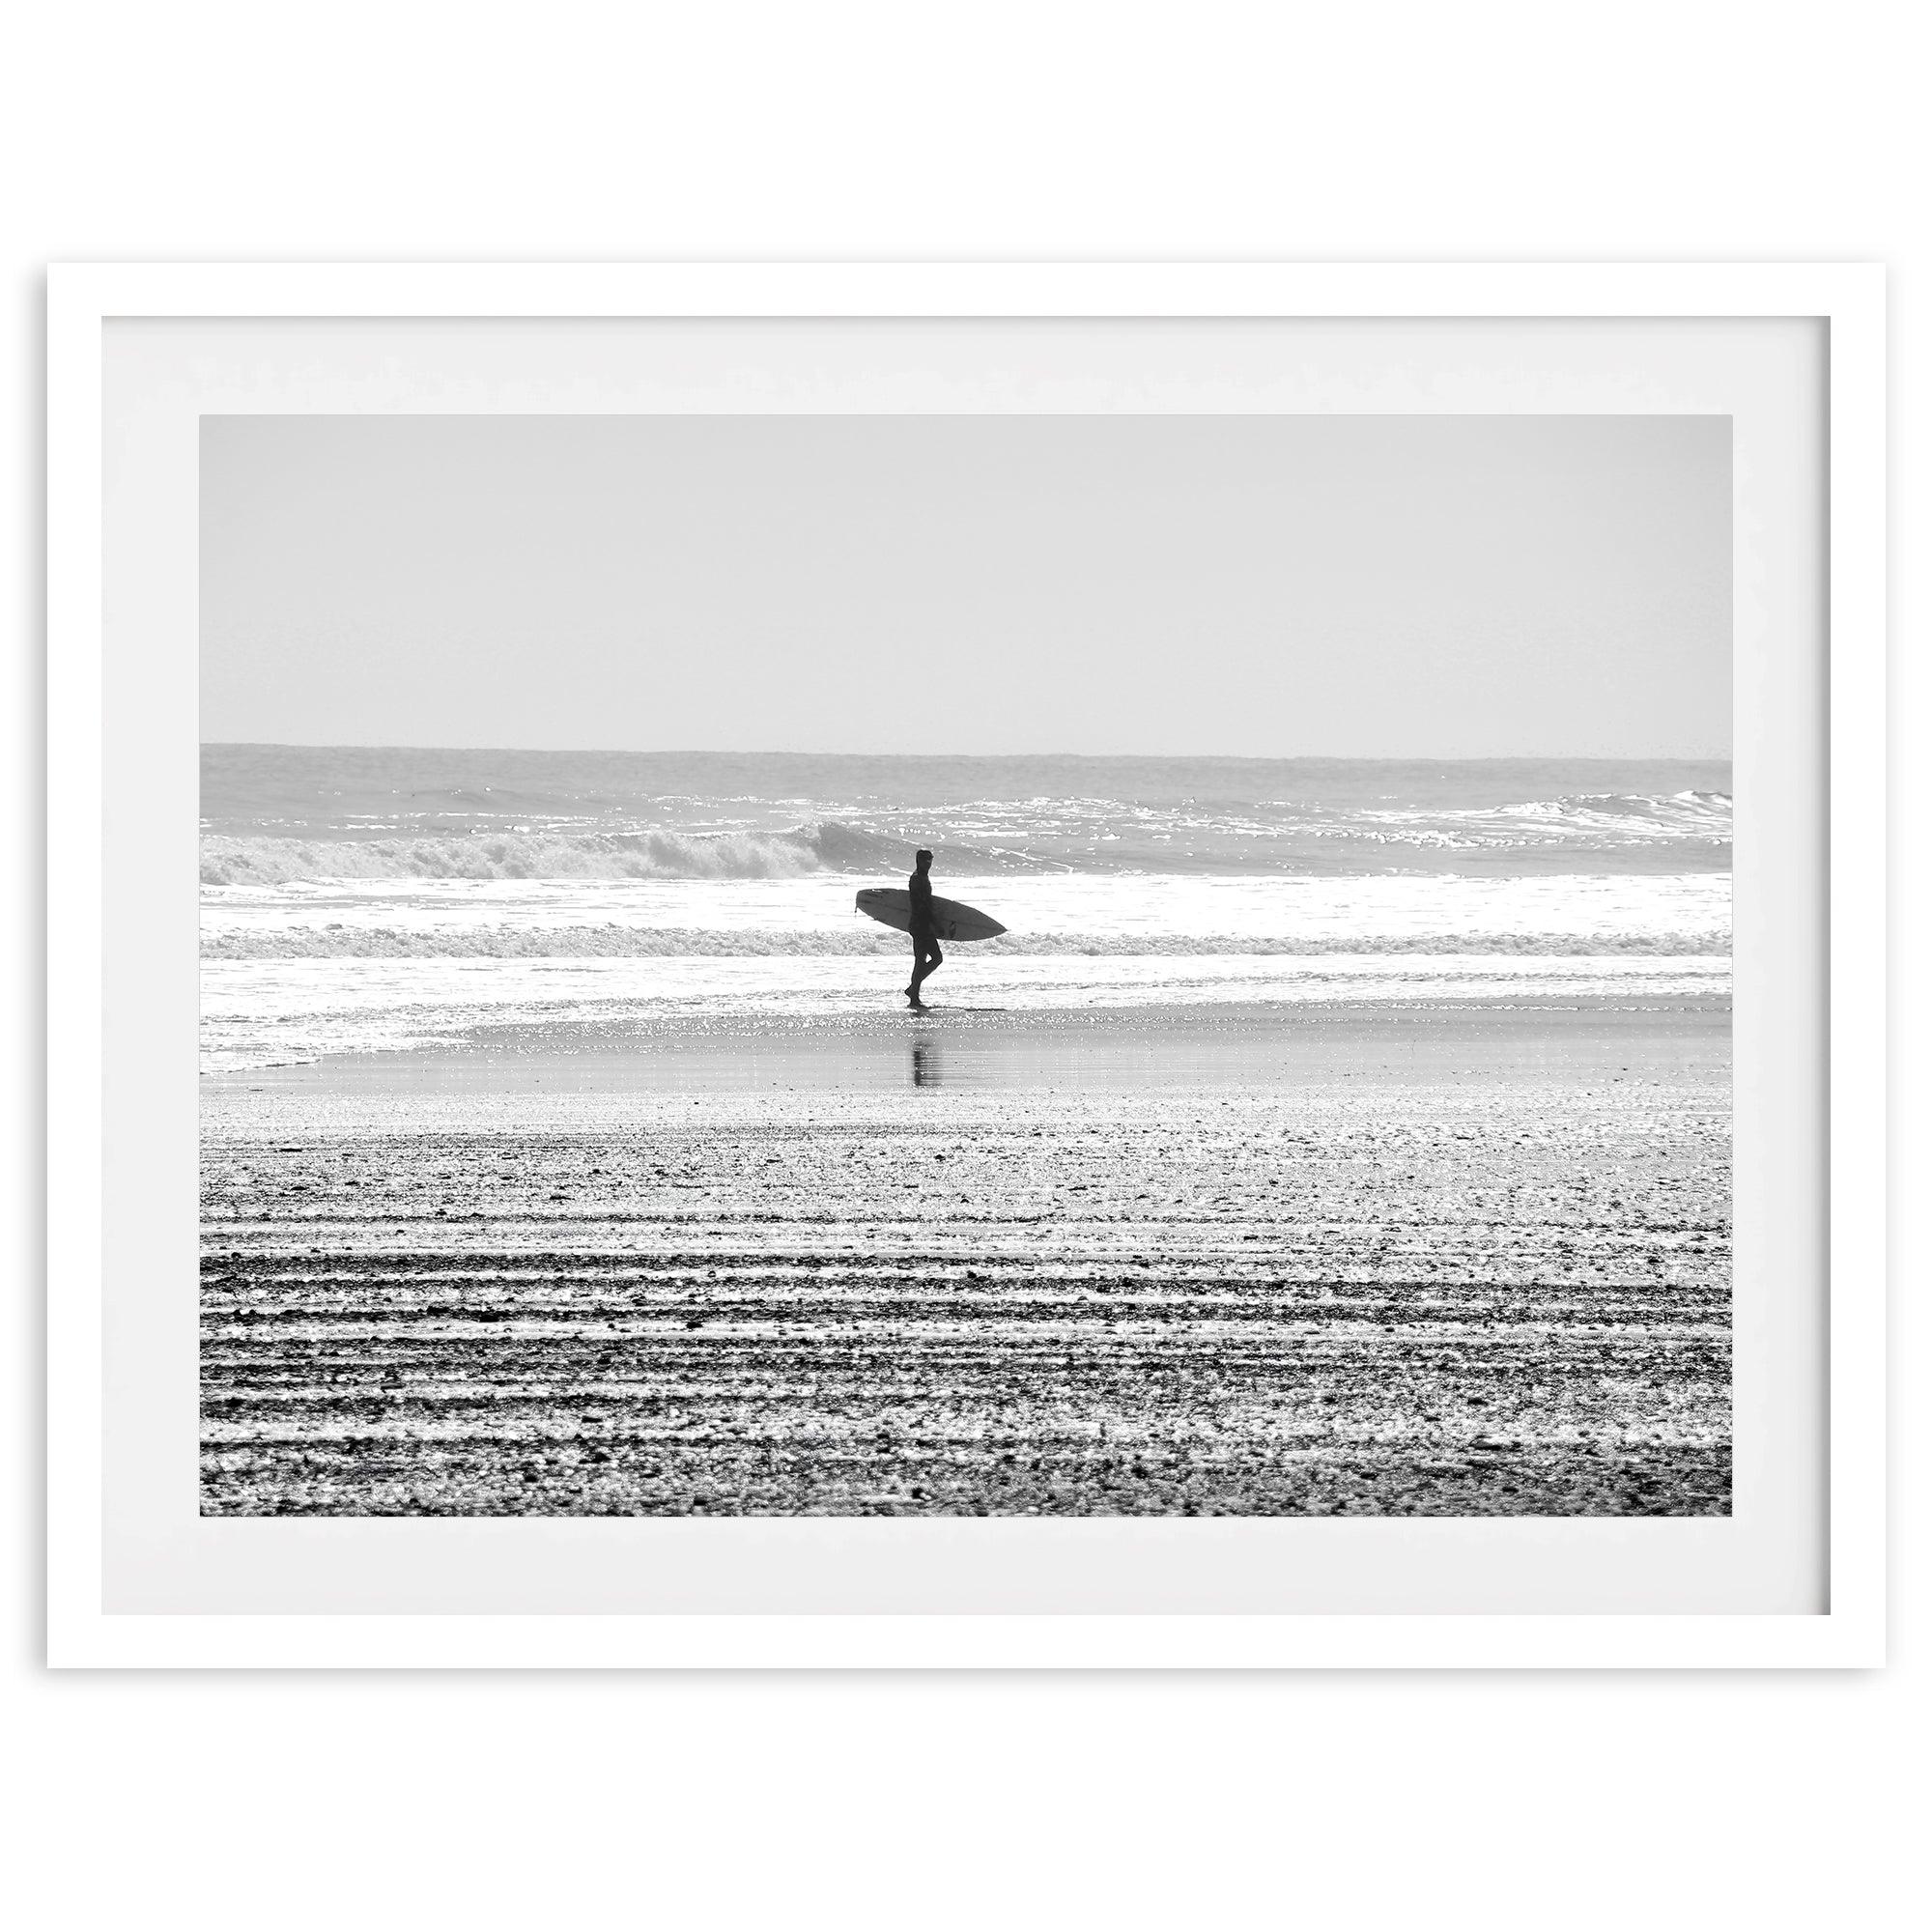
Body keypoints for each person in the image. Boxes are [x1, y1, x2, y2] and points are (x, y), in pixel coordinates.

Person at [905, 847, 943, 1009]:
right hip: (921, 925)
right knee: (923, 960)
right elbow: (924, 905)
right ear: (918, 861)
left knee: (930, 959)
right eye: (925, 860)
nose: (929, 863)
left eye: (930, 859)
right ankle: (913, 996)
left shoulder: (922, 877)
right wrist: (936, 924)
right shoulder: (917, 879)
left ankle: (913, 991)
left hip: (922, 924)